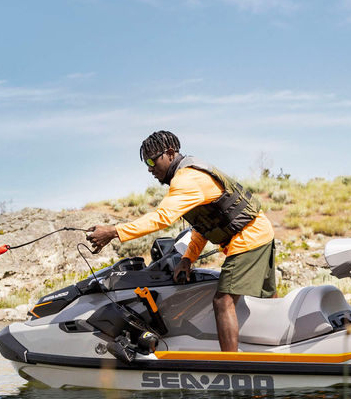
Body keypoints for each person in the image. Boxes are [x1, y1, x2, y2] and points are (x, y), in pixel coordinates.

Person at [87, 130, 276, 352]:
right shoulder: (190, 175)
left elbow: (161, 218)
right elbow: (205, 225)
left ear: (169, 153)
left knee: (223, 301)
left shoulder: (186, 179)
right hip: (259, 232)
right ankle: (281, 346)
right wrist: (188, 258)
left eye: (151, 161)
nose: (149, 168)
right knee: (269, 300)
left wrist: (113, 231)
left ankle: (231, 365)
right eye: (146, 163)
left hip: (248, 239)